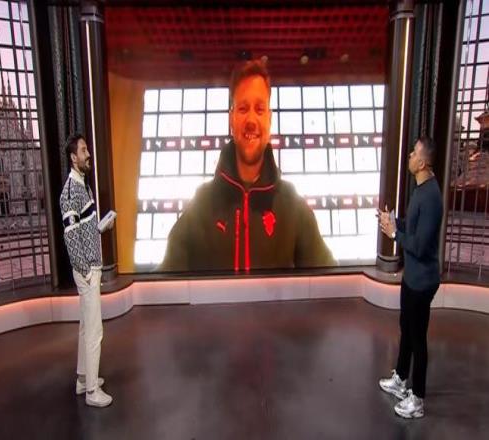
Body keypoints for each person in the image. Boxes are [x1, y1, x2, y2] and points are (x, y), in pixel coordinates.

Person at [160, 60, 335, 272]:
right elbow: (163, 281)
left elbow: (332, 279)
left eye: (259, 109)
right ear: (231, 119)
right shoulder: (201, 206)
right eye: (243, 109)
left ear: (269, 119)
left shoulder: (293, 207)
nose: (251, 119)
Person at [378, 136, 443, 419]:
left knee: (418, 339)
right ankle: (401, 379)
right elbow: (413, 228)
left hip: (423, 281)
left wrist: (395, 234)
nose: (410, 157)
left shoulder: (431, 198)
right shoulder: (419, 189)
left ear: (424, 162)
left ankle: (417, 399)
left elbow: (420, 245)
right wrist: (395, 222)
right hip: (411, 277)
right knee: (406, 327)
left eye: (414, 153)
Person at [60, 133, 114, 408]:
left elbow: (83, 229)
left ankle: (84, 379)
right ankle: (92, 391)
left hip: (91, 265)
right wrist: (86, 271)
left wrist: (100, 227)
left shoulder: (84, 185)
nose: (88, 154)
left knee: (85, 327)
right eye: (83, 150)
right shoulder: (70, 191)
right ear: (73, 157)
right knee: (94, 331)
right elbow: (71, 237)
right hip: (87, 270)